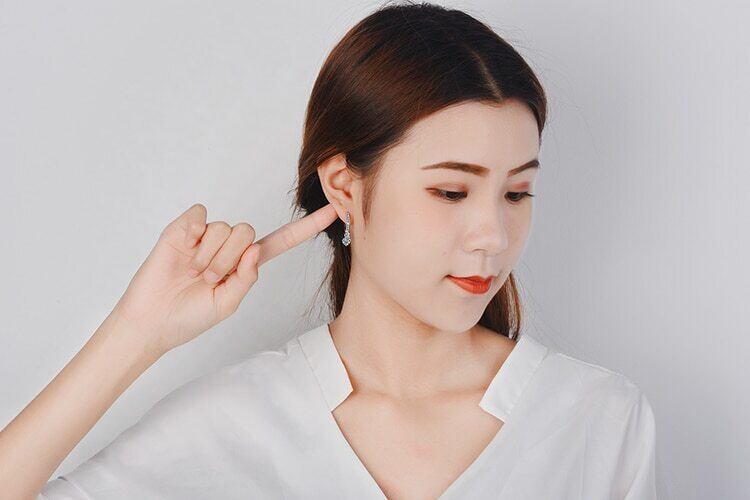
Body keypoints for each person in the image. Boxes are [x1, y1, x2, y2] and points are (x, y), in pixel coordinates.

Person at [0, 2, 657, 499]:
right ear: (344, 186)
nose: (493, 234)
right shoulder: (230, 424)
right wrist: (135, 333)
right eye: (451, 192)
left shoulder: (597, 421)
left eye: (516, 193)